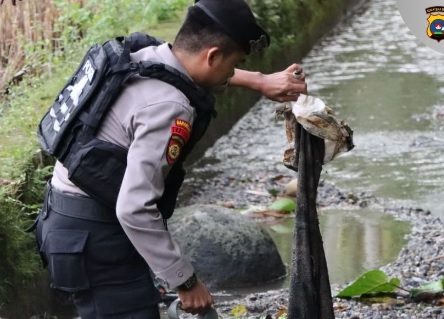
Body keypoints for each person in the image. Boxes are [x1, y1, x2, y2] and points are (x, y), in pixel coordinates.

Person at [34, 0, 307, 318]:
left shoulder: (144, 55)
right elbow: (135, 208)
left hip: (65, 217)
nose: (232, 74)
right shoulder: (170, 108)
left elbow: (199, 71)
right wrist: (186, 280)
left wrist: (258, 80)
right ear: (213, 56)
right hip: (95, 237)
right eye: (234, 65)